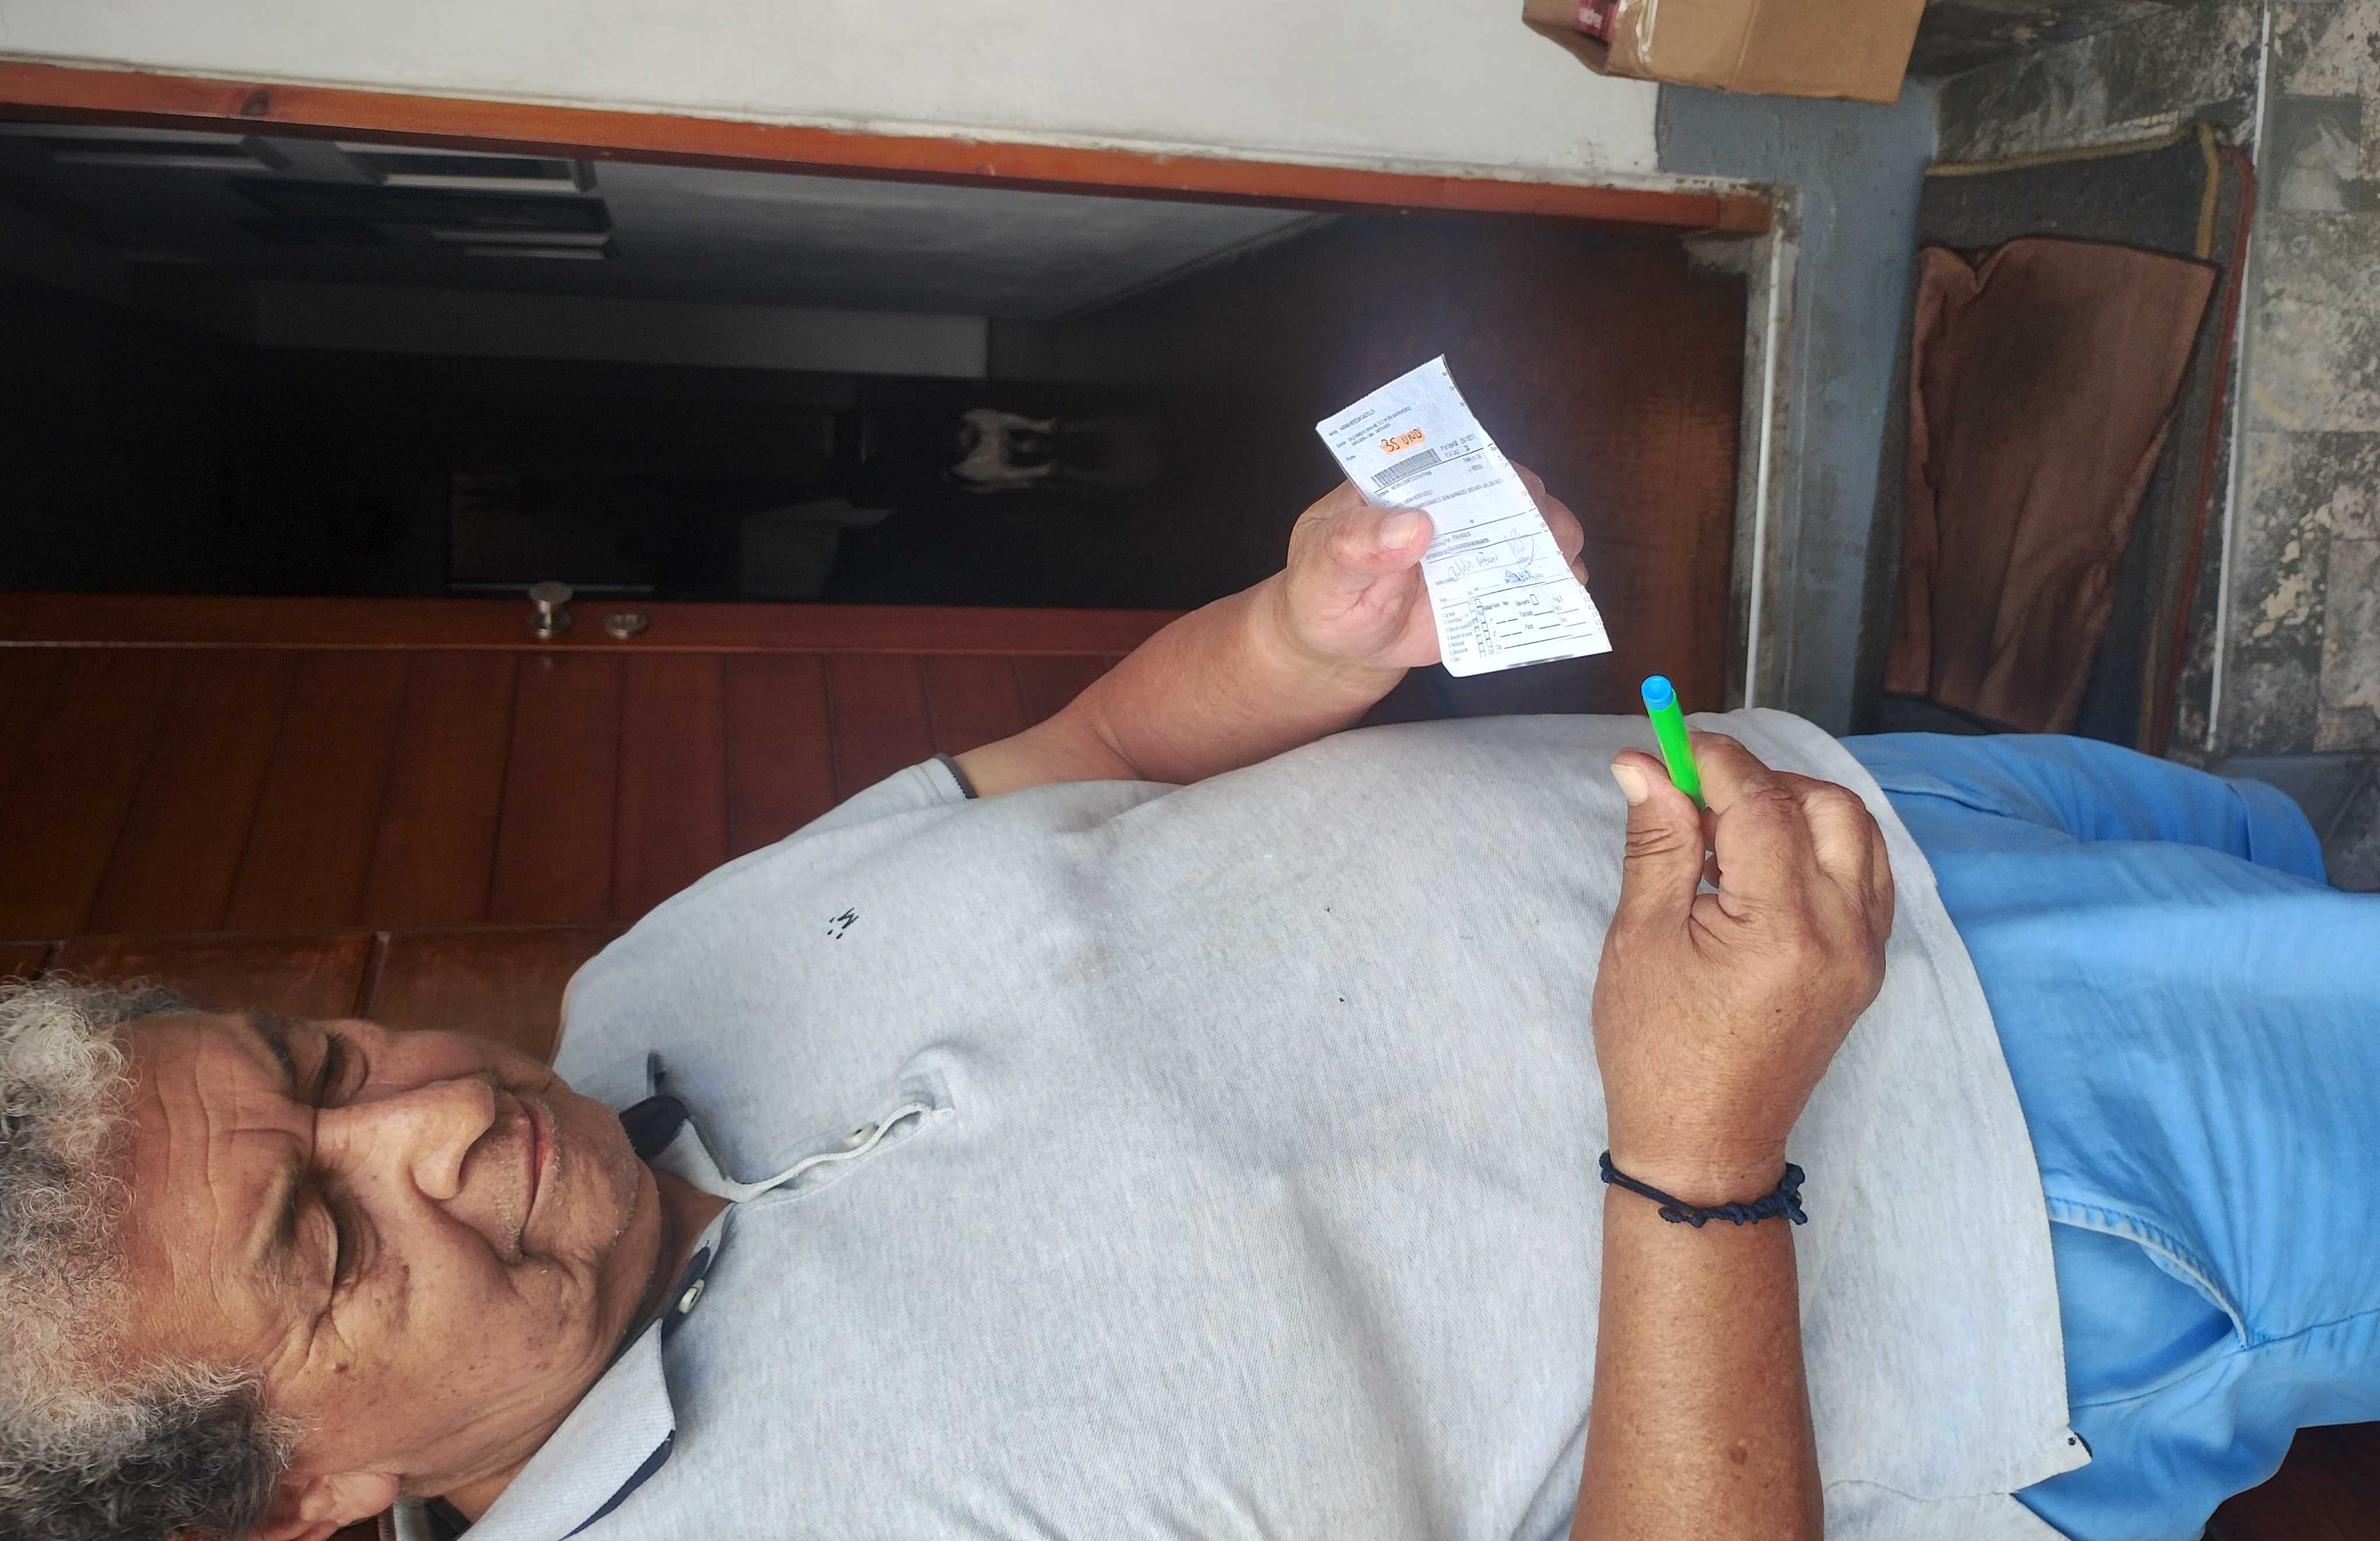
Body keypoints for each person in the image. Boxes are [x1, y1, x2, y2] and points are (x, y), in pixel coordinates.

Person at [2, 474, 2373, 1541]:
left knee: (2308, 828)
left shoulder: (643, 990)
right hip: (2022, 1202)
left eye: (319, 1069)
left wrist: (1298, 636)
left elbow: (1086, 763)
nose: (431, 1120)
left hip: (1859, 812)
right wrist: (1700, 1145)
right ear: (300, 1503)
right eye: (326, 1243)